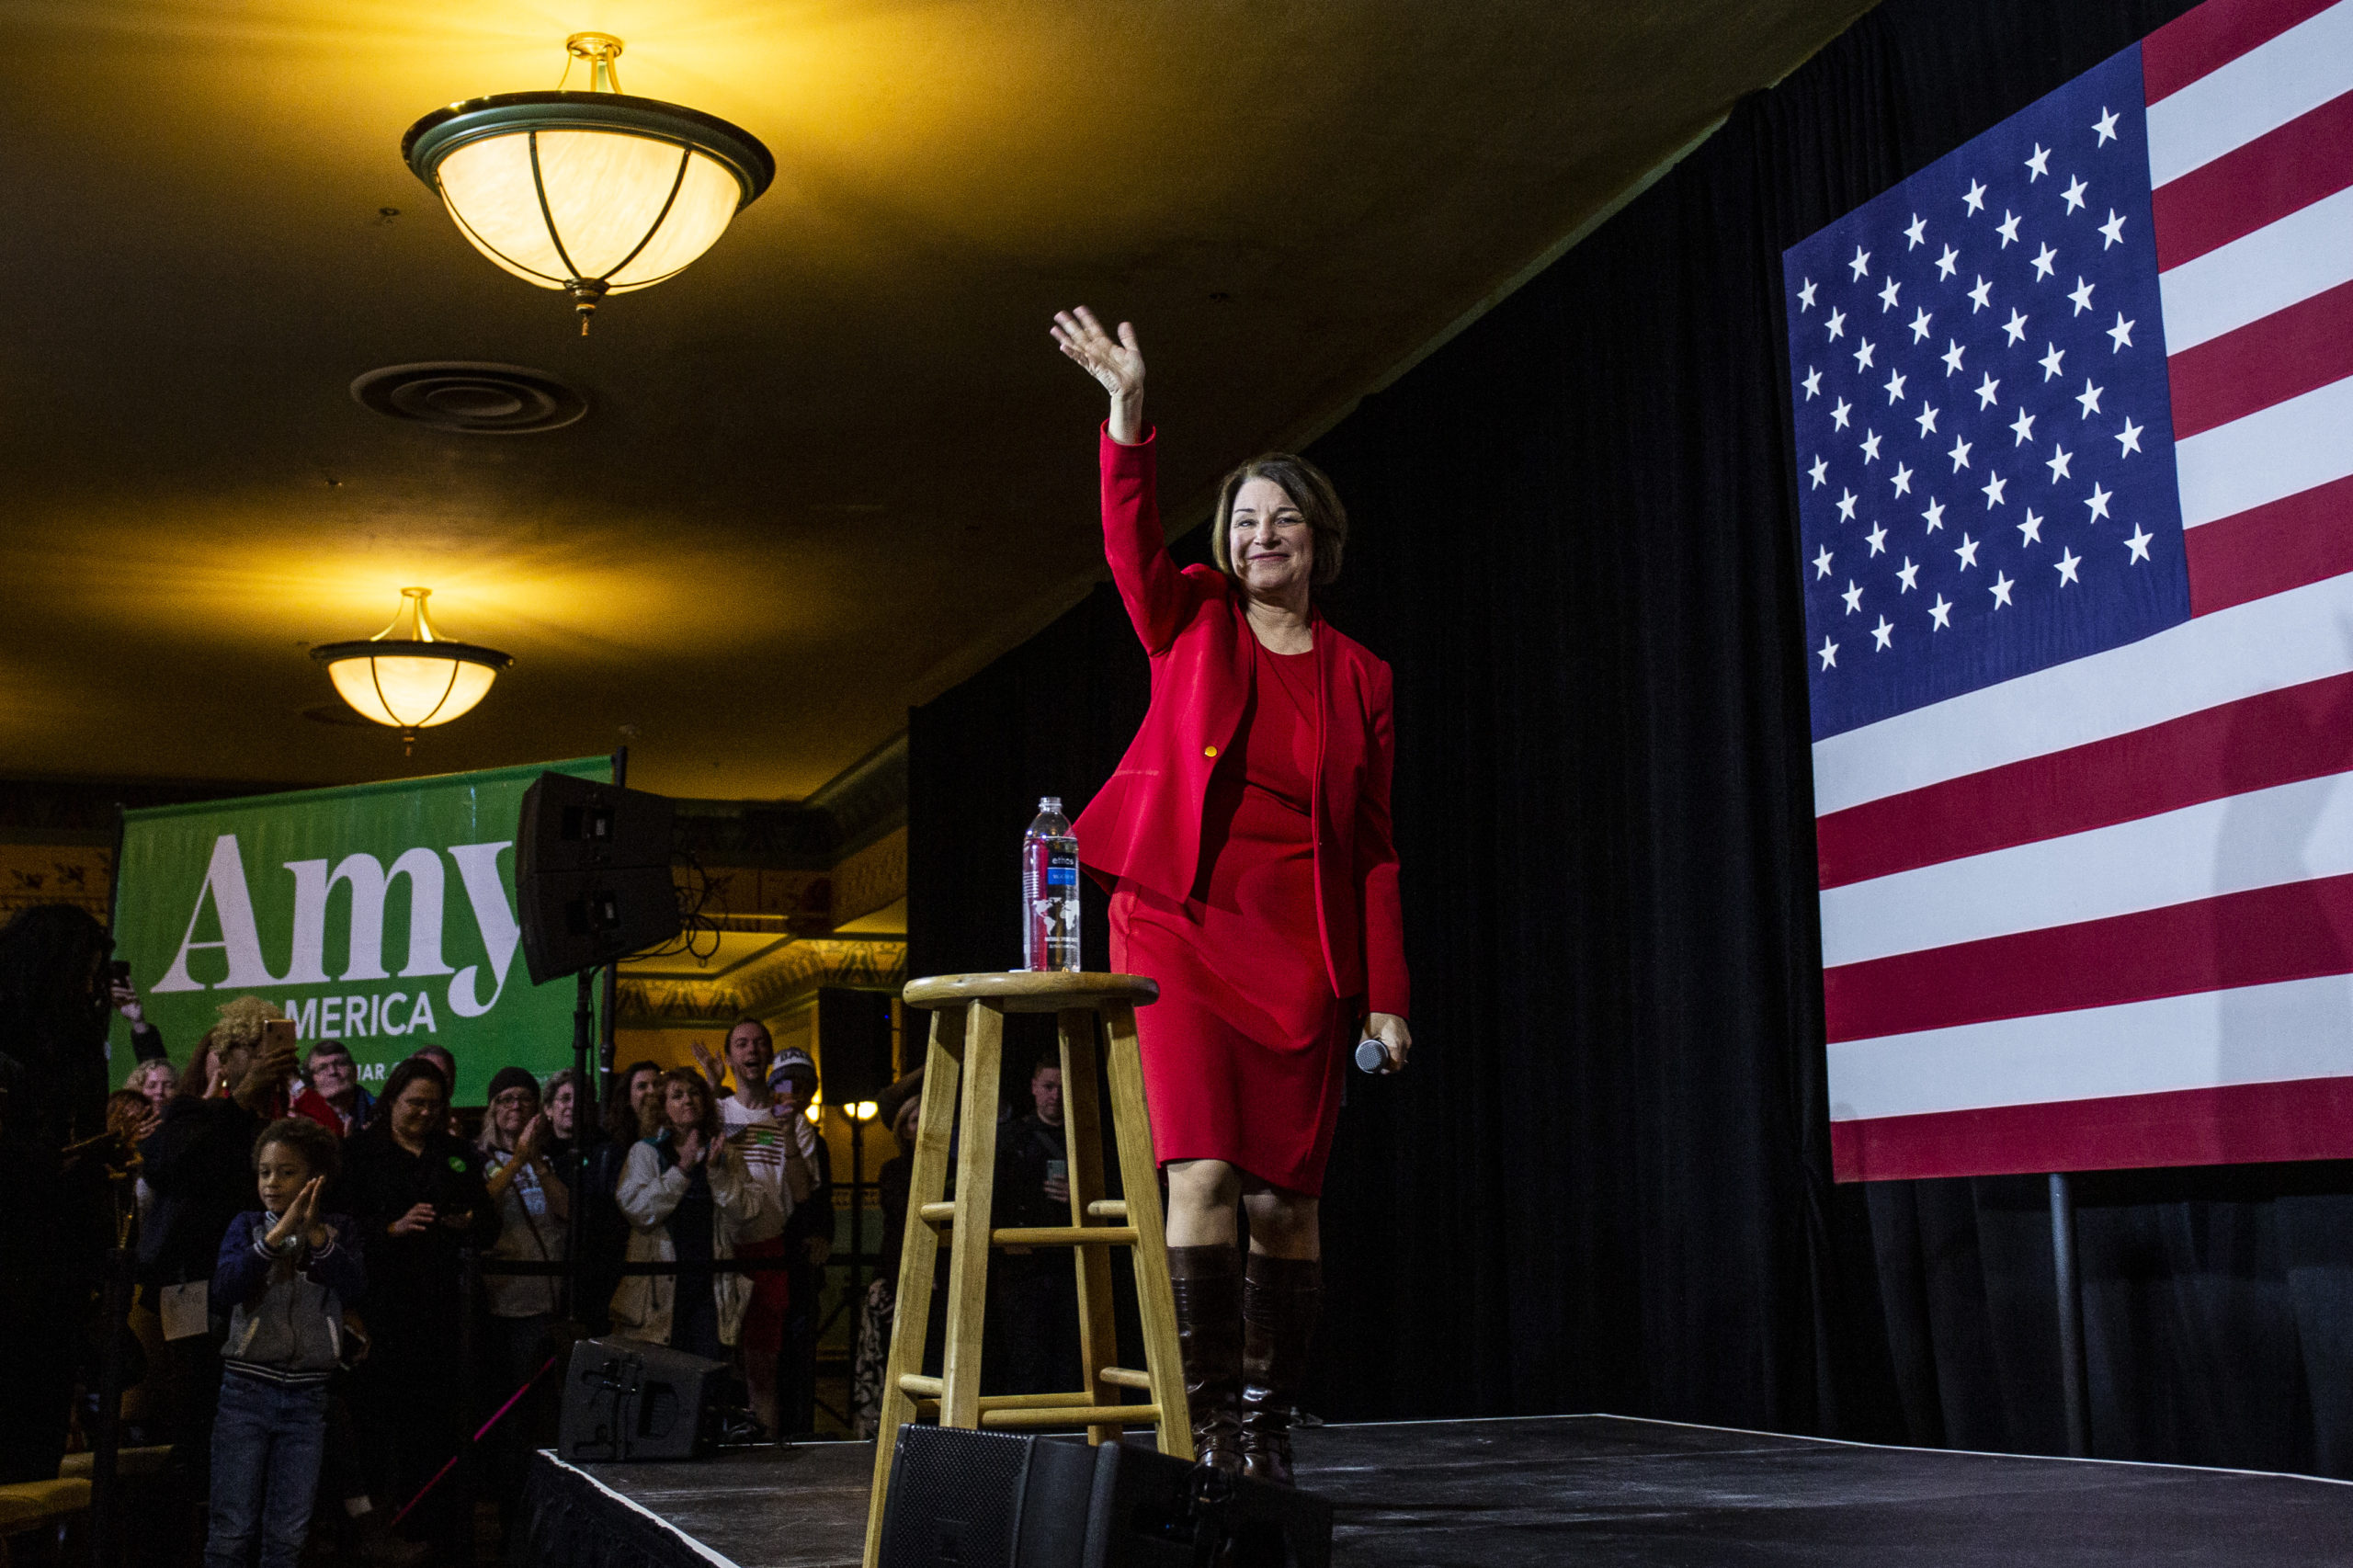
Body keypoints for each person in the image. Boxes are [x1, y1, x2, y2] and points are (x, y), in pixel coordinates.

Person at [1051, 307, 1412, 1483]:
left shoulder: (1363, 676)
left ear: (1317, 541)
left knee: (1283, 1207)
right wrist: (1127, 417)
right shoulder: (1192, 614)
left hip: (1299, 957)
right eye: (1243, 519)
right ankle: (1204, 1422)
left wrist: (1384, 997)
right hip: (1178, 926)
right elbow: (1124, 549)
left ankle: (1265, 1423)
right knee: (1201, 1172)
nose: (1260, 534)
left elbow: (1371, 846)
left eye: (1280, 519)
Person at [140, 1001, 301, 1493]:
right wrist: (238, 1099)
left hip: (249, 1288)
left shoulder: (267, 1130)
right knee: (199, 1406)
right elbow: (169, 1164)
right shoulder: (192, 1112)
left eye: (271, 1048)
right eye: (252, 1049)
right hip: (191, 1286)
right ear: (225, 1057)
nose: (263, 1059)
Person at [342, 1060, 499, 1559]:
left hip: (444, 1309)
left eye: (434, 1105)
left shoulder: (454, 1154)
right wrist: (392, 1227)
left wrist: (465, 1221)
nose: (425, 1113)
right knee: (378, 1422)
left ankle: (440, 1529)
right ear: (391, 1100)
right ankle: (378, 1533)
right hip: (381, 1309)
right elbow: (339, 1227)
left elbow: (489, 1224)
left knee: (439, 1424)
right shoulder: (360, 1154)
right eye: (415, 1103)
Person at [206, 1118, 364, 1568]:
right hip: (245, 1392)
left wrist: (314, 1234)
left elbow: (354, 1285)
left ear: (317, 1177)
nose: (272, 1182)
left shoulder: (339, 1229)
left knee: (288, 1535)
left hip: (308, 1397)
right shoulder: (247, 1225)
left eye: (286, 1171)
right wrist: (276, 1237)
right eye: (264, 1171)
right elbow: (224, 1289)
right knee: (232, 1531)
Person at [0, 904, 119, 1483]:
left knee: (34, 1452)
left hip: (55, 1277)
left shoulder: (77, 1046)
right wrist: (50, 1159)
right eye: (82, 973)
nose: (90, 989)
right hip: (16, 1257)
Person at [692, 1020, 813, 1439]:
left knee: (763, 1368)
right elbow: (690, 1140)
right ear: (730, 1057)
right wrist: (710, 1084)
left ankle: (764, 1453)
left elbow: (802, 1194)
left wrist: (790, 1136)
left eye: (760, 1043)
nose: (752, 1050)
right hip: (721, 1249)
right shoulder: (719, 1110)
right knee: (717, 1366)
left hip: (767, 1249)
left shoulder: (787, 1110)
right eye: (741, 1044)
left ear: (770, 1055)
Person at [610, 1069, 771, 1361]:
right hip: (657, 1291)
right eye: (677, 1095)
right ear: (663, 1107)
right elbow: (638, 1210)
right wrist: (681, 1170)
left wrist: (718, 1174)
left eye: (695, 1093)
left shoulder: (726, 1154)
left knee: (706, 1378)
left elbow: (748, 1211)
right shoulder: (645, 1153)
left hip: (710, 1291)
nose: (688, 1100)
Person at [475, 1067, 566, 1535]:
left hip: (545, 1302)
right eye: (506, 1098)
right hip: (500, 1304)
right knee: (508, 1417)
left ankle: (542, 1516)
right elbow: (478, 1209)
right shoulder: (479, 1158)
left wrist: (538, 1163)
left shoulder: (551, 1157)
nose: (516, 1107)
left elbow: (568, 1212)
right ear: (492, 1107)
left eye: (525, 1099)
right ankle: (509, 1516)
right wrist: (515, 1162)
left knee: (543, 1418)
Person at [989, 1056, 1082, 1395]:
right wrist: (1006, 1241)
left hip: (1073, 1264)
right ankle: (1031, 1437)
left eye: (1062, 1087)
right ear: (1033, 1087)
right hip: (1022, 1268)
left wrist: (1084, 1195)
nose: (1055, 1095)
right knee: (1026, 1359)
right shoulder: (1010, 1139)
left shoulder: (1088, 1139)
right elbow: (991, 1196)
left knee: (1071, 1362)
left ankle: (1066, 1441)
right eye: (1048, 1086)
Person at [852, 1072, 924, 1438]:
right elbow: (903, 1215)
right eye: (915, 1119)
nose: (923, 1124)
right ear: (904, 1129)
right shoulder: (894, 1171)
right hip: (900, 1275)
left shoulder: (958, 1170)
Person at [767, 1047, 833, 1436]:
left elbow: (818, 1200)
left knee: (799, 1348)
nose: (794, 1092)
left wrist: (822, 1235)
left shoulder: (816, 1140)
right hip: (768, 1247)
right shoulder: (762, 1126)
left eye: (803, 1085)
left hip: (801, 1260)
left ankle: (798, 1427)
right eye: (787, 1083)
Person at [577, 1062, 661, 1335]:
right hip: (619, 1265)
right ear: (627, 1097)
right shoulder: (610, 1151)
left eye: (656, 1084)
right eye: (642, 1086)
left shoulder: (678, 1145)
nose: (651, 1092)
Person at [292, 1041, 373, 1136]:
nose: (333, 1071)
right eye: (322, 1068)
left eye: (340, 1064)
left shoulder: (380, 1113)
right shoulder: (298, 1122)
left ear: (355, 1071)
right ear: (311, 1079)